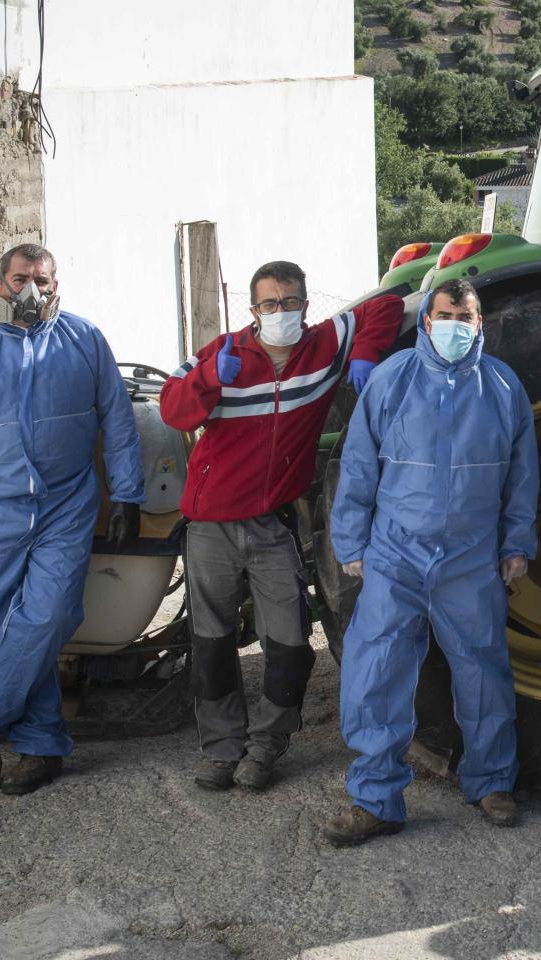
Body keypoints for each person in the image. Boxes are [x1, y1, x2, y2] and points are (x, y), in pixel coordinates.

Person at [0, 243, 144, 795]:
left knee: (50, 614)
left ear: (56, 282)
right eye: (19, 280)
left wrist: (128, 495)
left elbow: (118, 418)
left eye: (42, 279)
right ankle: (40, 746)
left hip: (65, 505)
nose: (31, 292)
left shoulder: (84, 340)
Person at [159, 261, 400, 792]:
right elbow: (172, 413)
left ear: (306, 305)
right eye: (270, 304)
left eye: (291, 303)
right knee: (212, 640)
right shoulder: (222, 351)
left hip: (272, 525)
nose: (281, 313)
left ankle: (267, 745)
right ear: (254, 311)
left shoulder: (323, 346)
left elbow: (386, 302)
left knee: (289, 641)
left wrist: (361, 352)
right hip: (211, 525)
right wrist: (207, 379)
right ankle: (222, 748)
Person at [320, 278, 538, 846]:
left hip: (470, 558)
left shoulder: (502, 386)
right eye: (445, 315)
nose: (455, 327)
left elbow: (521, 477)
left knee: (484, 672)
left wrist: (516, 544)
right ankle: (375, 798)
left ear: (480, 324)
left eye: (465, 318)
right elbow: (360, 466)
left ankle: (490, 782)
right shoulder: (393, 380)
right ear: (426, 321)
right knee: (376, 674)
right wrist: (351, 544)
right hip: (396, 556)